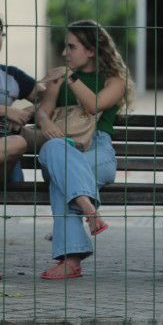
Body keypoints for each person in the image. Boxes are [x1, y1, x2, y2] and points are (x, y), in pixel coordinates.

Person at [35, 20, 134, 279]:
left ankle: (71, 261)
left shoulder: (114, 80)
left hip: (98, 150)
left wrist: (69, 77)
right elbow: (43, 110)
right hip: (62, 147)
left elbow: (94, 105)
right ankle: (91, 211)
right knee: (54, 150)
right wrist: (45, 123)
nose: (64, 53)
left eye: (71, 47)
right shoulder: (59, 78)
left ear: (91, 50)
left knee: (62, 180)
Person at [0, 15, 41, 185]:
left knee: (17, 143)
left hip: (5, 151)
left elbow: (51, 99)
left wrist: (26, 113)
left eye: (0, 33)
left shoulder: (12, 76)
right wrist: (7, 111)